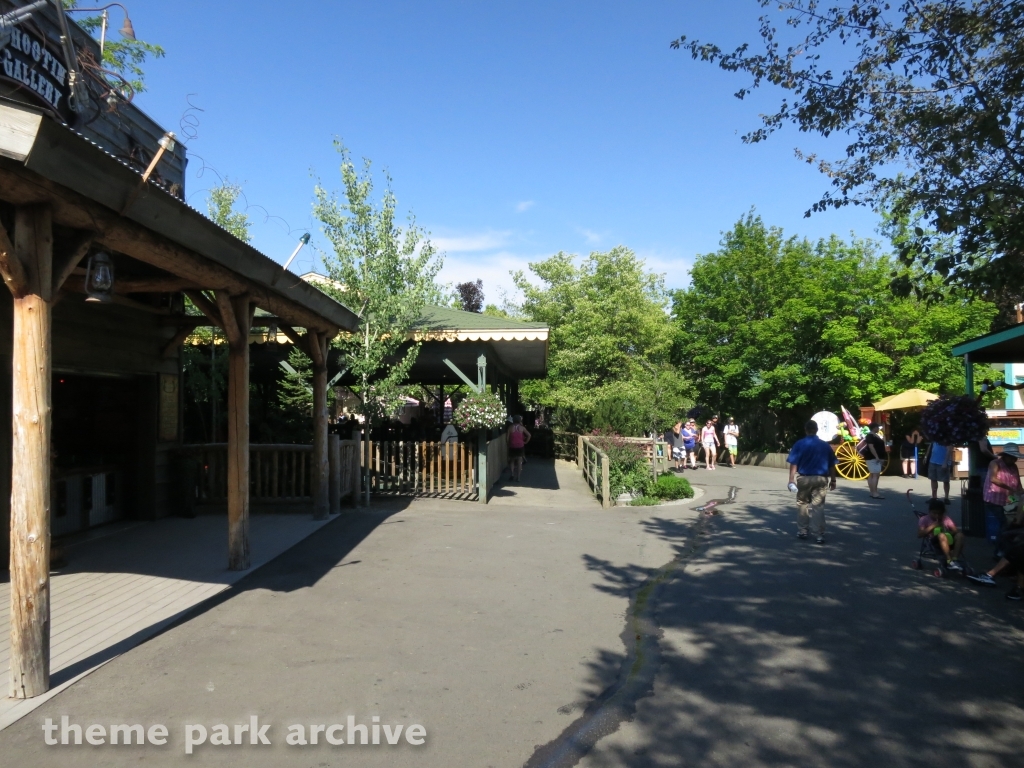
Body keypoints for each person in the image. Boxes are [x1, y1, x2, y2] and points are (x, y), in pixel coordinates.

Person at [787, 419, 839, 544]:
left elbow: (794, 462)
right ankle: (819, 534)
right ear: (816, 430)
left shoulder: (799, 444)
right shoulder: (825, 445)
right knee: (818, 506)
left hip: (804, 478)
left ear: (805, 430)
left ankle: (803, 531)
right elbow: (832, 464)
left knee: (802, 503)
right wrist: (833, 480)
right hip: (821, 478)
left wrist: (791, 479)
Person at [981, 443, 1023, 552]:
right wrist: (1009, 488)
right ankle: (999, 551)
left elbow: (1018, 483)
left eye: (1015, 457)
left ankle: (1008, 547)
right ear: (1005, 455)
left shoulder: (1013, 466)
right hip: (994, 498)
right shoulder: (995, 463)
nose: (1014, 460)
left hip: (1009, 500)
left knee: (1011, 523)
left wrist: (1021, 493)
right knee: (1004, 524)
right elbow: (993, 479)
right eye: (1012, 457)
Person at [917, 497, 965, 571]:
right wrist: (932, 526)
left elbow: (955, 530)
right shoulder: (924, 519)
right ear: (930, 511)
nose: (937, 516)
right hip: (934, 541)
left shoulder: (945, 519)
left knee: (960, 535)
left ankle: (954, 559)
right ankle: (949, 560)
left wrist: (948, 531)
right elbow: (920, 534)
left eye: (939, 514)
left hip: (947, 539)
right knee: (941, 535)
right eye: (934, 513)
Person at [857, 423, 887, 499]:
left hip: (872, 457)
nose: (878, 429)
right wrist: (877, 456)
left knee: (872, 474)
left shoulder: (873, 435)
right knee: (875, 475)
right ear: (874, 428)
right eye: (877, 427)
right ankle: (874, 492)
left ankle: (872, 491)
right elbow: (871, 447)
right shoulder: (870, 436)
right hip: (872, 458)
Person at [926, 440, 955, 505]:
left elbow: (949, 449)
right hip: (933, 461)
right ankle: (934, 497)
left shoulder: (946, 438)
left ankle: (946, 498)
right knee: (933, 479)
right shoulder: (935, 436)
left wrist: (945, 462)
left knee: (945, 480)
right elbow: (931, 446)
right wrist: (926, 456)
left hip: (942, 462)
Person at [507, 415, 531, 482]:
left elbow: (507, 438)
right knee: (519, 462)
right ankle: (518, 477)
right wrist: (525, 442)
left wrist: (508, 444)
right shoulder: (522, 428)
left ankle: (512, 474)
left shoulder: (510, 428)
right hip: (520, 446)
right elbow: (529, 435)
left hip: (512, 446)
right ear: (519, 420)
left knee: (512, 461)